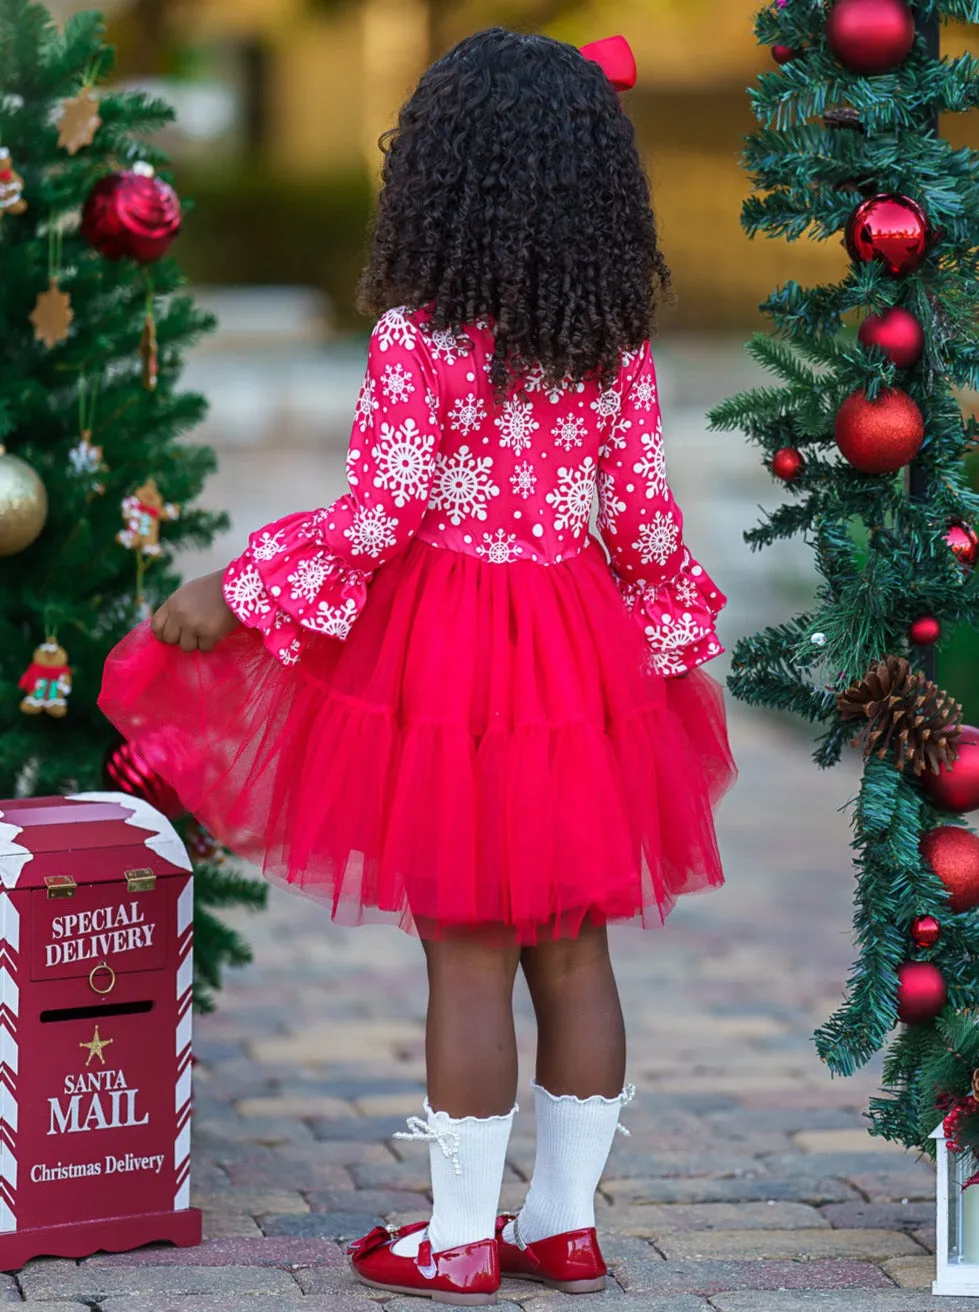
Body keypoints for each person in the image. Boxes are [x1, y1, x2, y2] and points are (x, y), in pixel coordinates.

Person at [100, 27, 736, 1307]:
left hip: (446, 651)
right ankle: (561, 1228)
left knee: (465, 949)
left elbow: (380, 516)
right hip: (571, 644)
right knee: (570, 944)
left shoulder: (418, 336)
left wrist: (236, 587)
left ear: (437, 177)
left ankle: (454, 1242)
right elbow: (648, 524)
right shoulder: (610, 343)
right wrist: (660, 642)